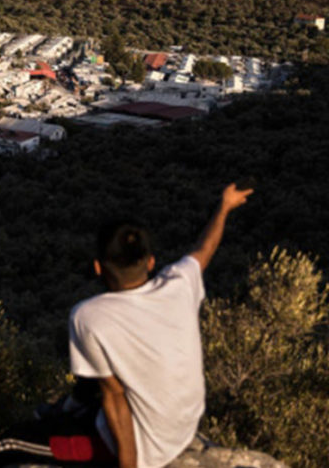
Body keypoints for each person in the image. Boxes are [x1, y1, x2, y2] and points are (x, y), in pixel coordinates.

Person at [66, 183, 254, 468]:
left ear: (98, 267)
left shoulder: (88, 316)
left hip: (148, 448)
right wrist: (224, 206)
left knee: (16, 444)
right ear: (151, 261)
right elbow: (205, 249)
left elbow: (114, 397)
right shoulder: (179, 284)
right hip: (185, 427)